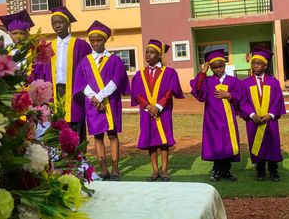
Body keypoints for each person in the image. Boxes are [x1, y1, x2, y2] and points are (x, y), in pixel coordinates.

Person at [74, 20, 130, 181]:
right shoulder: (85, 61)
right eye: (93, 41)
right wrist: (94, 97)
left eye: (99, 40)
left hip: (109, 102)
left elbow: (116, 80)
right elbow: (80, 82)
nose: (96, 43)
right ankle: (104, 169)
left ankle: (115, 169)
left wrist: (100, 96)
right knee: (97, 136)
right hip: (92, 103)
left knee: (112, 134)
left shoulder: (114, 60)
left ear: (105, 40)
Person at [131, 39, 183, 182]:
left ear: (159, 55)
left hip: (163, 111)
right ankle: (155, 170)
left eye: (152, 52)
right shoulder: (140, 74)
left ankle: (165, 170)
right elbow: (137, 93)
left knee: (163, 141)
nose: (148, 55)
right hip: (147, 112)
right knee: (150, 140)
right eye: (147, 52)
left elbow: (170, 90)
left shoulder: (169, 73)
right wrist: (148, 107)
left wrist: (158, 106)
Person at [41, 6, 92, 144]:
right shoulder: (49, 47)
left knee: (76, 124)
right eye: (54, 23)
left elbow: (89, 71)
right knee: (57, 125)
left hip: (75, 91)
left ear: (68, 23)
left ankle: (79, 160)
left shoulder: (81, 45)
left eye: (60, 22)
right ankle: (61, 161)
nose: (57, 25)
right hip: (55, 92)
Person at [190, 49, 242, 181]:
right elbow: (198, 91)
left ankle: (227, 170)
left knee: (228, 144)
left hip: (228, 120)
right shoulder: (207, 81)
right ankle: (217, 170)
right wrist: (203, 72)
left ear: (225, 65)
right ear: (210, 68)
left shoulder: (233, 81)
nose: (218, 69)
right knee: (216, 145)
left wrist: (229, 95)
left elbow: (241, 96)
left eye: (221, 66)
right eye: (214, 67)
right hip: (212, 120)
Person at [240, 47, 286, 182]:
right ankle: (260, 169)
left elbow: (277, 100)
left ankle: (273, 170)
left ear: (265, 66)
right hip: (253, 121)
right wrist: (252, 115)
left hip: (269, 121)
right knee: (256, 143)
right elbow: (243, 101)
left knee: (272, 143)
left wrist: (271, 114)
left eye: (258, 63)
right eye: (253, 63)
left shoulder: (274, 82)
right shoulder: (246, 83)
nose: (255, 66)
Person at [0, 9, 38, 78]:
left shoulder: (34, 51)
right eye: (14, 33)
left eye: (22, 33)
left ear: (27, 34)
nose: (18, 36)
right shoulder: (5, 52)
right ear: (10, 34)